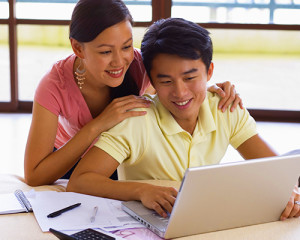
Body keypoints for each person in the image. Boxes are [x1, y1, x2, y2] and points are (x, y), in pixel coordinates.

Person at [67, 17, 300, 221]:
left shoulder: (226, 108)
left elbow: (276, 171)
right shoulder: (135, 120)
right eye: (166, 81)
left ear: (209, 72)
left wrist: (287, 193)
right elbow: (80, 181)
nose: (180, 93)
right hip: (149, 225)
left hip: (205, 218)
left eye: (190, 78)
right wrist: (141, 191)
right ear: (152, 81)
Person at [24, 0, 241, 187]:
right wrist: (99, 124)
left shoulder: (139, 64)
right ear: (78, 48)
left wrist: (211, 88)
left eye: (126, 46)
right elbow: (34, 176)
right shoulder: (54, 85)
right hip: (71, 164)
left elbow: (179, 77)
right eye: (106, 51)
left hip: (121, 160)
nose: (120, 61)